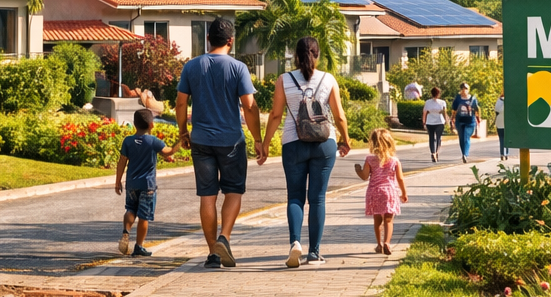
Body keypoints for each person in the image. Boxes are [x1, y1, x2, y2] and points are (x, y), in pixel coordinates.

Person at [175, 17, 261, 269]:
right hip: (231, 141)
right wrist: (257, 139)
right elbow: (249, 105)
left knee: (207, 196)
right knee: (234, 191)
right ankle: (225, 237)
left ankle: (213, 253)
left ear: (208, 39)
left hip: (201, 140)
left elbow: (181, 103)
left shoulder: (191, 66)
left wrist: (183, 132)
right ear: (231, 42)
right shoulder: (238, 68)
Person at [261, 37, 351, 268]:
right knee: (318, 198)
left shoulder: (284, 80)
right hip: (324, 143)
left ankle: (294, 243)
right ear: (317, 55)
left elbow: (275, 115)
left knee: (295, 197)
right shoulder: (328, 79)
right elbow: (339, 115)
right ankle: (314, 253)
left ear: (296, 56)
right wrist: (346, 139)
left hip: (293, 143)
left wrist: (265, 143)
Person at [115, 109, 175, 257]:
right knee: (144, 216)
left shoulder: (128, 141)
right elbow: (167, 152)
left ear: (134, 124)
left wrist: (118, 181)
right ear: (151, 125)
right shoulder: (153, 141)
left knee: (130, 209)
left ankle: (125, 232)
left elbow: (121, 162)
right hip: (147, 185)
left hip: (131, 184)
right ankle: (139, 246)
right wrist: (180, 143)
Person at [355, 128, 408, 255]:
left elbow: (364, 176)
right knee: (389, 220)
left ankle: (379, 244)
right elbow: (400, 178)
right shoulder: (394, 161)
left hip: (374, 192)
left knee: (377, 219)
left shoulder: (369, 159)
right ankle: (387, 243)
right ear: (390, 143)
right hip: (389, 192)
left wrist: (358, 169)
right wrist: (404, 193)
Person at [452, 82, 481, 163]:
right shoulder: (458, 98)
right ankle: (464, 154)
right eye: (463, 88)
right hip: (460, 121)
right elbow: (454, 109)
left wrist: (478, 118)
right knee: (462, 138)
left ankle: (465, 154)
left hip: (470, 121)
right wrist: (453, 119)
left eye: (466, 89)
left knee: (466, 137)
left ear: (468, 90)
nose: (464, 90)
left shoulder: (473, 99)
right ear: (461, 90)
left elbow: (476, 109)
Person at [422, 86, 446, 162]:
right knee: (438, 138)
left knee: (431, 138)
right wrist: (446, 121)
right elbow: (444, 112)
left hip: (429, 122)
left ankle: (433, 152)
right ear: (438, 94)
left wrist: (424, 122)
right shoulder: (442, 102)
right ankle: (436, 152)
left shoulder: (428, 102)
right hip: (439, 121)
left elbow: (424, 113)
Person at [495, 93, 508, 160]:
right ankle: (505, 153)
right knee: (506, 138)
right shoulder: (509, 101)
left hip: (500, 122)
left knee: (502, 138)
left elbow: (497, 110)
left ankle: (503, 153)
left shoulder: (499, 101)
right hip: (506, 122)